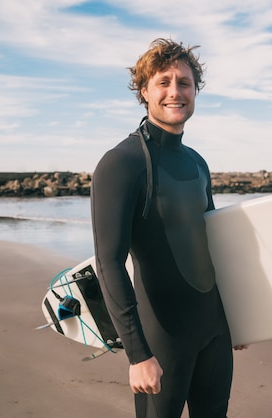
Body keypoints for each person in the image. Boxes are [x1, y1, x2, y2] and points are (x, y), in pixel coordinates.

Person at [91, 38, 243, 418]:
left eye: (185, 83)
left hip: (214, 333)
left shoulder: (197, 163)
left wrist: (241, 318)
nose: (175, 92)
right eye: (164, 82)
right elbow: (109, 262)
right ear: (144, 91)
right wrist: (138, 354)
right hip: (163, 339)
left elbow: (210, 246)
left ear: (195, 91)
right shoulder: (121, 163)